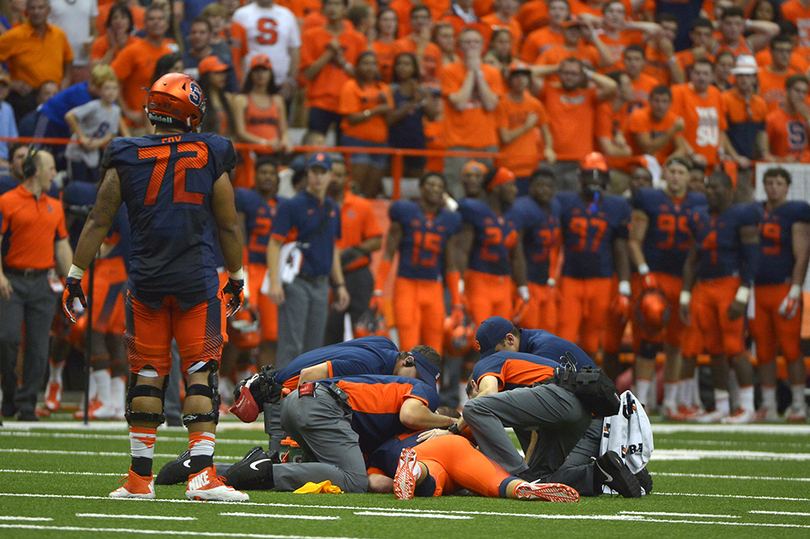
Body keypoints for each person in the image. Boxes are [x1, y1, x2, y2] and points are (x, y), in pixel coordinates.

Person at [62, 73, 249, 501]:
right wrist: (237, 277)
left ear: (153, 109)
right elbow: (228, 223)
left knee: (147, 375)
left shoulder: (126, 152)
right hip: (196, 280)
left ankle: (138, 479)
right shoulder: (211, 149)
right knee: (200, 373)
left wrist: (74, 274)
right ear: (191, 114)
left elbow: (99, 218)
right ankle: (202, 477)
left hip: (146, 280)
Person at [222, 374, 452, 493]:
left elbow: (374, 480)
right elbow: (410, 415)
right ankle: (265, 472)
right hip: (323, 406)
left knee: (324, 470)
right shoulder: (425, 392)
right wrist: (451, 424)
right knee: (354, 481)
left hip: (301, 400)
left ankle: (218, 469)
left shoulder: (389, 420)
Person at [459, 349, 639, 497]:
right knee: (538, 481)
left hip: (561, 398)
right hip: (579, 413)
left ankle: (516, 477)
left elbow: (484, 398)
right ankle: (602, 473)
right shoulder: (517, 378)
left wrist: (455, 428)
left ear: (475, 385)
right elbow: (533, 438)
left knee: (473, 408)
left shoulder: (485, 366)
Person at [627, 156, 708, 413]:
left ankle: (671, 401)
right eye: (672, 171)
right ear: (664, 174)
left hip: (683, 279)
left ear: (688, 177)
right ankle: (640, 401)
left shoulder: (699, 203)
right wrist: (644, 271)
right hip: (655, 277)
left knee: (676, 341)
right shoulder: (649, 199)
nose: (676, 177)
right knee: (648, 339)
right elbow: (634, 241)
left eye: (681, 172)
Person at [680, 170, 760, 424]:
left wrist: (743, 293)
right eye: (708, 187)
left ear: (729, 191)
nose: (710, 192)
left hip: (730, 283)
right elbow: (692, 258)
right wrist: (685, 295)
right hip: (704, 286)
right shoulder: (698, 216)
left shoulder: (742, 214)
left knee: (735, 347)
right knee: (714, 349)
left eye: (716, 188)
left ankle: (747, 406)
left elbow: (752, 258)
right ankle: (722, 405)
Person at [0, 149, 71, 422]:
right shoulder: (7, 201)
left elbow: (61, 246)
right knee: (8, 339)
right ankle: (9, 393)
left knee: (39, 347)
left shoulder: (55, 205)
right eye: (51, 168)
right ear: (36, 171)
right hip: (12, 280)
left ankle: (27, 404)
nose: (54, 174)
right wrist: (0, 276)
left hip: (43, 282)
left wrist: (73, 280)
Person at [266, 152, 350, 371]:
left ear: (330, 176)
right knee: (291, 345)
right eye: (314, 171)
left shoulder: (333, 208)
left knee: (315, 349)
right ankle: (283, 390)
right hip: (297, 281)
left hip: (321, 283)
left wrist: (339, 284)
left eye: (323, 172)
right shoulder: (292, 205)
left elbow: (333, 248)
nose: (318, 177)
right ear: (307, 174)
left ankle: (305, 391)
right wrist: (275, 282)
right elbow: (274, 244)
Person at [554, 152, 632, 377]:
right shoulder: (565, 202)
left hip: (602, 279)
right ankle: (561, 384)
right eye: (590, 175)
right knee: (565, 336)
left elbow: (620, 247)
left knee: (591, 340)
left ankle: (583, 384)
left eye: (599, 176)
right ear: (580, 177)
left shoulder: (616, 206)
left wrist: (624, 285)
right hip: (571, 277)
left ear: (607, 179)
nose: (594, 181)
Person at [373, 172, 462, 354]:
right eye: (430, 184)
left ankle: (431, 376)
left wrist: (457, 301)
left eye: (439, 186)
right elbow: (389, 254)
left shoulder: (449, 220)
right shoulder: (405, 212)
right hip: (407, 285)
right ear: (421, 188)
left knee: (434, 349)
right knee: (408, 346)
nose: (435, 189)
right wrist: (378, 289)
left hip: (433, 287)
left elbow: (450, 264)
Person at [750, 167, 810, 422]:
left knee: (790, 348)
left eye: (779, 182)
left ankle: (798, 404)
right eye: (770, 182)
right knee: (763, 350)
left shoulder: (795, 211)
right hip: (758, 289)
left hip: (783, 288)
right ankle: (769, 405)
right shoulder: (754, 211)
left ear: (787, 187)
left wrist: (795, 290)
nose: (774, 187)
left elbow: (802, 253)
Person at [374, 430, 580, 501]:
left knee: (429, 480)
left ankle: (415, 470)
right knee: (496, 482)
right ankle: (522, 487)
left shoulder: (380, 452)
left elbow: (376, 483)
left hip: (419, 454)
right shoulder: (428, 424)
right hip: (452, 445)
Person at [323, 154, 383, 345]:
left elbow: (377, 241)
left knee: (363, 329)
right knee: (329, 331)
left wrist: (350, 253)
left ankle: (363, 363)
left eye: (340, 175)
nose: (335, 179)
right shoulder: (316, 205)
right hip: (326, 276)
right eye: (332, 174)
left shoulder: (361, 205)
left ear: (347, 178)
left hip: (357, 274)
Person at [455, 167, 526, 328]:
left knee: (503, 336)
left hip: (504, 283)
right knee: (479, 335)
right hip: (479, 280)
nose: (515, 190)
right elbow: (462, 250)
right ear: (496, 188)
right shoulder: (476, 211)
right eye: (510, 185)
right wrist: (458, 283)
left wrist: (523, 288)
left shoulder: (515, 215)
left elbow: (517, 256)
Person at [534, 58, 618, 191]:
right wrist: (556, 68)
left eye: (574, 74)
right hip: (552, 159)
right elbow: (531, 73)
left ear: (581, 76)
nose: (569, 77)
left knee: (578, 201)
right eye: (566, 73)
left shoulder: (589, 95)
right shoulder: (549, 91)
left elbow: (612, 86)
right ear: (560, 74)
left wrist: (587, 73)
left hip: (580, 161)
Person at [440, 27, 504, 199]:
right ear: (459, 47)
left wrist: (478, 72)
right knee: (456, 191)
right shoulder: (449, 70)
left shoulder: (493, 72)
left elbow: (490, 105)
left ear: (483, 46)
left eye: (476, 42)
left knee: (487, 193)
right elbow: (460, 104)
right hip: (458, 144)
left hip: (487, 143)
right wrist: (471, 71)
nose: (472, 46)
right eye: (467, 42)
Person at [233, 157, 284, 368]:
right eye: (263, 172)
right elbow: (238, 232)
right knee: (243, 329)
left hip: (273, 272)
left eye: (272, 173)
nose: (267, 177)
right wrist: (240, 268)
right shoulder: (245, 197)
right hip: (249, 266)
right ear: (255, 176)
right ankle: (229, 375)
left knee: (271, 334)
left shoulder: (285, 205)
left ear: (278, 179)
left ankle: (264, 377)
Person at [300, 0, 367, 137]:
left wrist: (342, 61)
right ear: (323, 9)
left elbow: (363, 76)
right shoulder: (310, 36)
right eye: (329, 4)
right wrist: (329, 53)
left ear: (345, 8)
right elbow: (307, 74)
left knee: (345, 147)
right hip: (319, 101)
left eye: (337, 4)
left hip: (348, 102)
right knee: (315, 144)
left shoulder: (357, 39)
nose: (333, 8)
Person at [0, 0, 74, 120]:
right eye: (32, 8)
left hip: (54, 96)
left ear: (48, 10)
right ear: (26, 11)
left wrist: (65, 82)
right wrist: (10, 83)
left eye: (40, 8)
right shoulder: (14, 36)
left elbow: (68, 60)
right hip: (26, 99)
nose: (36, 12)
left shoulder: (59, 34)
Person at [508, 169, 560, 331]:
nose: (545, 190)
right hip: (527, 279)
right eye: (540, 185)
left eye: (549, 186)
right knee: (528, 327)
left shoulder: (555, 207)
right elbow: (516, 251)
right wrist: (522, 285)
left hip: (544, 279)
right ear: (530, 187)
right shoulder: (522, 208)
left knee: (549, 328)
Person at [232, 54, 294, 189]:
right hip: (249, 155)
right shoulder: (241, 100)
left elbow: (283, 130)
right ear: (251, 74)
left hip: (273, 155)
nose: (260, 74)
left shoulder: (278, 100)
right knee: (247, 188)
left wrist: (285, 140)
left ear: (270, 73)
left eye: (264, 70)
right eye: (257, 70)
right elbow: (240, 132)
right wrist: (264, 142)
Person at [337, 51, 394, 199]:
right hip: (356, 141)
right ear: (357, 67)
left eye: (373, 63)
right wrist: (375, 110)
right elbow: (351, 118)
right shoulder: (350, 86)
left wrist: (385, 105)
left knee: (371, 193)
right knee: (354, 189)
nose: (370, 67)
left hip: (380, 144)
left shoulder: (383, 88)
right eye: (365, 63)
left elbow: (390, 119)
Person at [110, 5, 176, 131]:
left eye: (160, 19)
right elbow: (111, 79)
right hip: (135, 125)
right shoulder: (132, 51)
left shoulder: (169, 54)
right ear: (145, 24)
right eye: (151, 19)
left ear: (167, 24)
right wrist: (126, 111)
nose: (156, 22)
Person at [495, 61, 554, 195]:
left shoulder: (535, 104)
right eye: (516, 76)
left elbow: (546, 132)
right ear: (509, 80)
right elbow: (505, 137)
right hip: (508, 167)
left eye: (524, 76)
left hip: (531, 168)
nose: (521, 80)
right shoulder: (502, 104)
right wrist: (527, 125)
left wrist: (549, 148)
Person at [64, 74, 129, 184]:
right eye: (107, 88)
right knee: (77, 183)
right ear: (100, 91)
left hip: (93, 152)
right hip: (78, 152)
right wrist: (82, 137)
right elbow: (69, 116)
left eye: (114, 88)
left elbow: (111, 134)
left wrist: (99, 142)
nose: (111, 92)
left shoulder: (116, 111)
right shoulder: (94, 106)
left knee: (93, 183)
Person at [231, 0, 300, 103]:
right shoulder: (241, 14)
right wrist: (239, 80)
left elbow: (294, 49)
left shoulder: (287, 15)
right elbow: (236, 51)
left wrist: (291, 80)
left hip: (280, 83)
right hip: (250, 81)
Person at [387, 52, 440, 178]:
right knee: (393, 182)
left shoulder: (422, 90)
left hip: (416, 143)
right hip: (394, 142)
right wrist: (413, 103)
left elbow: (432, 116)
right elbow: (389, 120)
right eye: (399, 64)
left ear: (414, 68)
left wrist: (421, 98)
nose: (402, 67)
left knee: (415, 183)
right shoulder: (390, 89)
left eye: (407, 64)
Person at [625, 85, 687, 168]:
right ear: (650, 101)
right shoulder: (638, 117)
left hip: (663, 165)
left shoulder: (673, 119)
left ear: (670, 103)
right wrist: (672, 131)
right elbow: (648, 150)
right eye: (656, 100)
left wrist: (669, 163)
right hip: (638, 165)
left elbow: (681, 149)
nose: (660, 105)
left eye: (664, 101)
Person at [765, 74, 810, 163]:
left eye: (804, 92)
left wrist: (808, 119)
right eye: (797, 90)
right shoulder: (772, 119)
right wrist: (779, 160)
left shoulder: (807, 116)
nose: (801, 95)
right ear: (787, 90)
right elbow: (764, 153)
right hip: (783, 167)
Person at [372, 8, 399, 83]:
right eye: (385, 20)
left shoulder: (401, 45)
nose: (389, 23)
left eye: (392, 20)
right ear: (378, 22)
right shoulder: (372, 45)